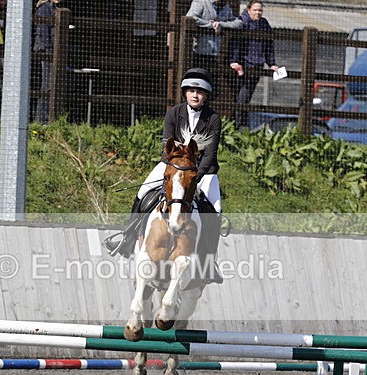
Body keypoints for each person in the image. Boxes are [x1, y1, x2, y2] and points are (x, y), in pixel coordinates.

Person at [104, 68, 224, 284]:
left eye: (200, 92)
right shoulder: (173, 113)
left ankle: (210, 262)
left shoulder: (213, 118)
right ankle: (127, 238)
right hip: (173, 165)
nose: (195, 95)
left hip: (203, 172)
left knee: (214, 212)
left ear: (206, 95)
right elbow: (166, 147)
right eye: (191, 91)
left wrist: (195, 177)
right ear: (185, 93)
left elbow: (210, 154)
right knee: (142, 193)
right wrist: (176, 171)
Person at [229, 0, 278, 128]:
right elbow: (235, 43)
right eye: (255, 10)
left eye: (260, 10)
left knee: (247, 96)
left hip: (257, 65)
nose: (258, 12)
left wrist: (271, 63)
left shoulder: (264, 24)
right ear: (249, 10)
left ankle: (241, 126)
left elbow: (269, 45)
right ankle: (237, 126)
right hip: (243, 65)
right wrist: (234, 61)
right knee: (242, 97)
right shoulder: (242, 22)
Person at [185, 0, 243, 83]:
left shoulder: (226, 6)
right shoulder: (201, 2)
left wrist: (221, 24)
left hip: (216, 56)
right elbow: (190, 17)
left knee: (213, 86)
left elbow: (239, 23)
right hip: (200, 54)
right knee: (199, 82)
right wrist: (210, 25)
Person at [34, 0, 60, 123]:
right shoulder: (44, 8)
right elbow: (43, 31)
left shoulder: (54, 8)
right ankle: (42, 119)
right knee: (47, 85)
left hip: (51, 50)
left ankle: (46, 118)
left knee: (50, 85)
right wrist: (49, 50)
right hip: (47, 51)